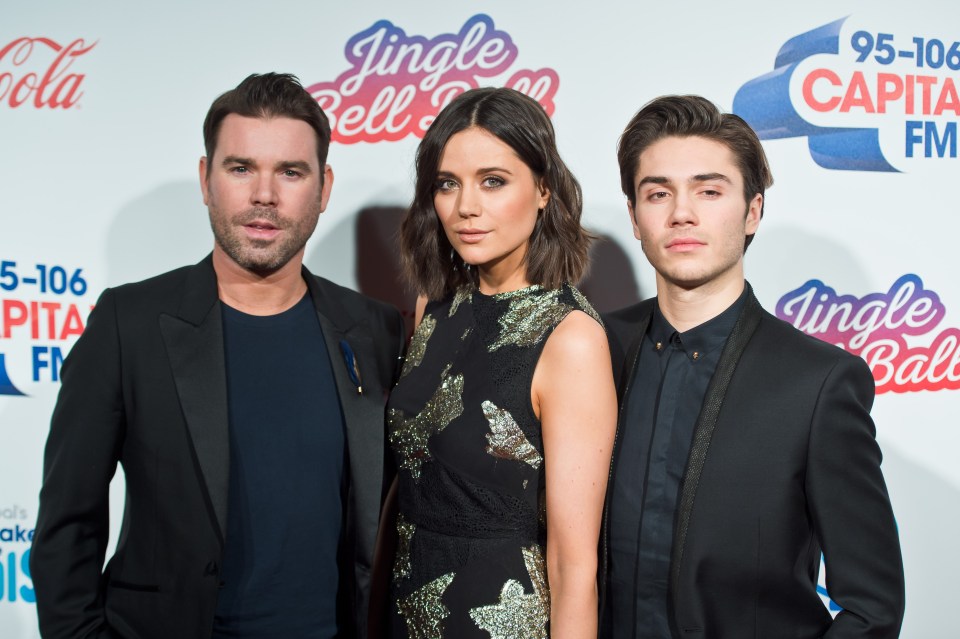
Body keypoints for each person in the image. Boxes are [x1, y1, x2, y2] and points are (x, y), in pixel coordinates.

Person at [30, 73, 404, 639]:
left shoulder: (375, 330)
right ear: (206, 179)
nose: (264, 195)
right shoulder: (128, 324)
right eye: (240, 168)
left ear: (324, 188)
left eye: (290, 171)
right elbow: (67, 526)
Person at [600, 95, 905, 638]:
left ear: (753, 211)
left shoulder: (818, 384)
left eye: (709, 190)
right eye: (658, 193)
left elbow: (872, 608)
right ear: (635, 216)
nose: (682, 213)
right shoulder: (589, 348)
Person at [386, 87, 617, 638]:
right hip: (409, 610)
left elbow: (573, 563)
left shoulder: (570, 337)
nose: (466, 206)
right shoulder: (434, 308)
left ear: (542, 189)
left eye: (493, 181)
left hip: (500, 615)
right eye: (448, 184)